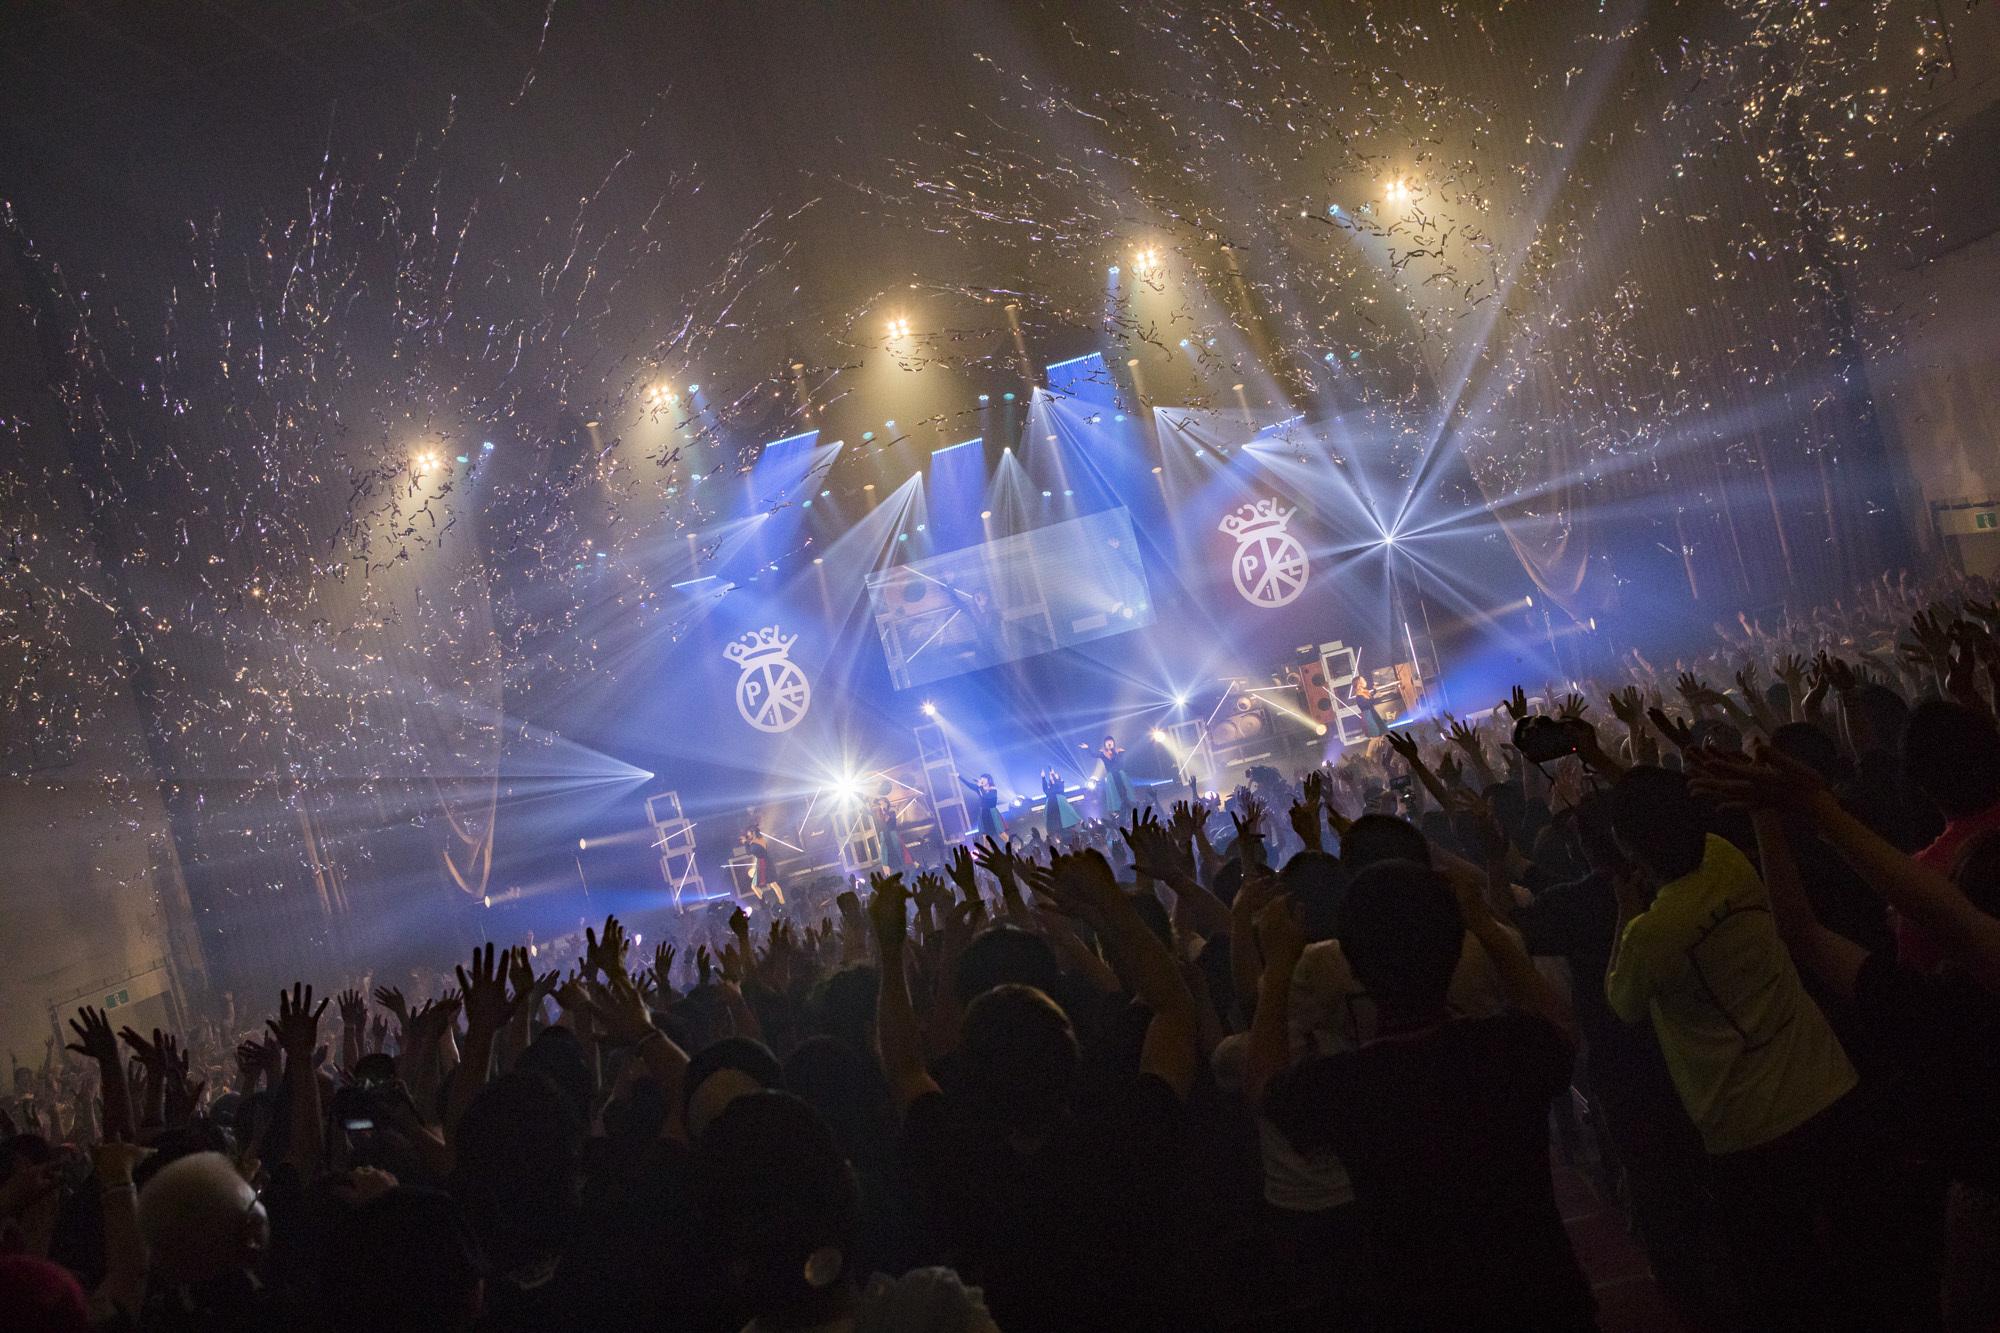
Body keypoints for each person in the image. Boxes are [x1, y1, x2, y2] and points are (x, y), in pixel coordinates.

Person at [1255, 859, 1596, 1330]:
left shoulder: (1348, 1085)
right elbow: (1561, 1028)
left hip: (1420, 1310)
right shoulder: (1511, 1046)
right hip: (1542, 1300)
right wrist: (1485, 926)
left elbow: (1266, 1090)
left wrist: (1276, 971)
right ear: (1458, 948)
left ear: (1352, 963)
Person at [1605, 765, 1883, 1330]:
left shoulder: (1649, 935)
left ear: (1628, 846)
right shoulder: (1726, 860)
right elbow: (1670, 816)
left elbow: (1621, 1002)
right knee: (1866, 1265)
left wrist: (1623, 906)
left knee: (1781, 1287)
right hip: (1829, 1083)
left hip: (1746, 1129)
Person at [1082, 736, 1136, 819]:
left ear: (1113, 742)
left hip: (1120, 774)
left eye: (1110, 741)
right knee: (1115, 793)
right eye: (1107, 742)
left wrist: (1113, 751)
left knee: (1125, 791)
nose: (1109, 743)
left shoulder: (1119, 751)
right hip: (1111, 775)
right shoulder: (1102, 753)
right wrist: (1087, 748)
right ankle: (1119, 811)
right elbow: (1093, 755)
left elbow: (1119, 761)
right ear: (1105, 744)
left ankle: (1131, 808)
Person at [872, 794, 913, 871]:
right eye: (880, 804)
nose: (881, 805)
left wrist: (885, 811)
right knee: (884, 850)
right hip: (883, 834)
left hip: (892, 832)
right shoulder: (878, 813)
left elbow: (892, 820)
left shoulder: (891, 812)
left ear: (886, 803)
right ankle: (886, 867)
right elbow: (869, 812)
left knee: (897, 848)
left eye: (882, 803)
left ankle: (901, 864)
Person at [960, 773, 1004, 841]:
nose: (981, 780)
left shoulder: (993, 789)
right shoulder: (979, 788)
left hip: (991, 811)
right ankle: (987, 851)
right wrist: (959, 776)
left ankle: (1014, 848)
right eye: (981, 779)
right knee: (985, 836)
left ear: (989, 780)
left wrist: (980, 786)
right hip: (983, 811)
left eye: (983, 779)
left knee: (1001, 833)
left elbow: (985, 796)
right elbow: (968, 784)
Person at [1040, 766, 1080, 834]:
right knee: (1053, 822)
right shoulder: (1050, 787)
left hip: (1060, 803)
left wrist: (1052, 774)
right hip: (1051, 805)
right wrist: (1043, 777)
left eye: (1055, 776)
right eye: (1052, 776)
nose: (1052, 777)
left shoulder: (1060, 784)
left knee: (1064, 817)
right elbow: (1045, 790)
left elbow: (1057, 783)